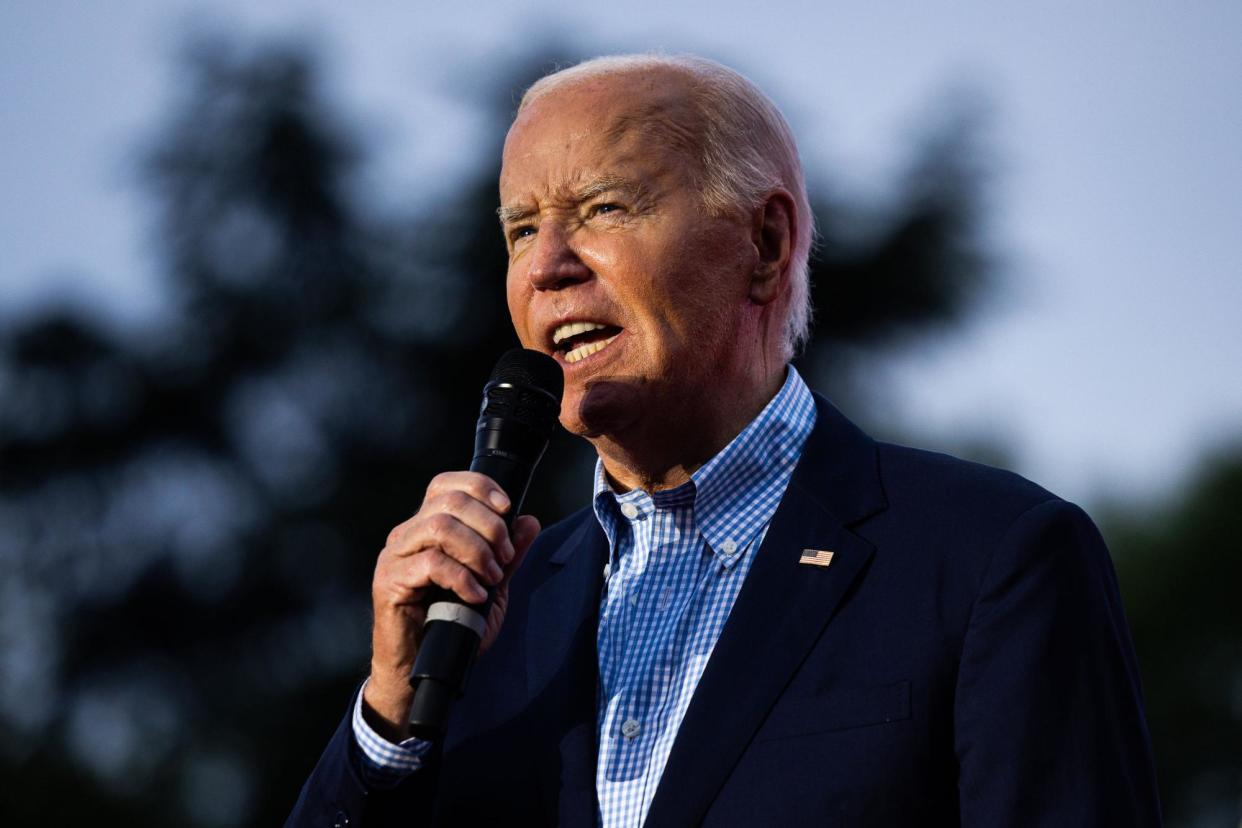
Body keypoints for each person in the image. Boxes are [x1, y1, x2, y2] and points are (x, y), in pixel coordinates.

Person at [287, 54, 1161, 827]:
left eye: (603, 208)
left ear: (766, 244)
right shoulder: (485, 622)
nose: (548, 265)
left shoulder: (987, 559)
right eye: (521, 229)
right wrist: (390, 721)